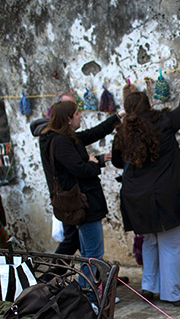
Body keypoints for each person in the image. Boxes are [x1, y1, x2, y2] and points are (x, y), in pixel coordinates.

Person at [111, 70, 180, 307]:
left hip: (136, 197)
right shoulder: (163, 123)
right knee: (170, 244)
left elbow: (117, 162)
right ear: (150, 104)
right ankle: (172, 293)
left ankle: (149, 287)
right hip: (165, 195)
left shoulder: (122, 133)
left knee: (150, 241)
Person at [40, 100, 121, 263]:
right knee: (93, 255)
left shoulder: (64, 138)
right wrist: (92, 164)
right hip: (83, 202)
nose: (80, 116)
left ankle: (86, 288)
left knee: (88, 254)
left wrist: (117, 117)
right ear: (68, 119)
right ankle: (89, 289)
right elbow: (79, 169)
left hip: (79, 201)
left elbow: (92, 134)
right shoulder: (61, 141)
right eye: (77, 113)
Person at [31, 91, 81, 256]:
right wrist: (93, 165)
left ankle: (97, 276)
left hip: (70, 194)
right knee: (72, 238)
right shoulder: (55, 138)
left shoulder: (63, 136)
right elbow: (75, 167)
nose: (77, 114)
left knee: (81, 240)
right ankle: (50, 276)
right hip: (66, 196)